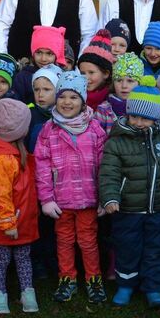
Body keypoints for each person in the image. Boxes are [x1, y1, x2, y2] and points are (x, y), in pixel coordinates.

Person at [99, 77, 160, 308]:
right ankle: (126, 286)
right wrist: (111, 198)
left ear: (155, 118)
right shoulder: (116, 142)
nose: (138, 122)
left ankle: (154, 288)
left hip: (158, 208)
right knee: (127, 248)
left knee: (156, 249)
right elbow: (109, 173)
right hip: (128, 208)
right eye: (134, 116)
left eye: (145, 118)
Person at [35, 69, 108, 305]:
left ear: (83, 100)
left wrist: (104, 198)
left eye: (74, 97)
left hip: (88, 199)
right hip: (61, 199)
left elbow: (104, 166)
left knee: (88, 240)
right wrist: (46, 199)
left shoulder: (95, 128)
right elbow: (42, 165)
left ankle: (93, 279)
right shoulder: (50, 129)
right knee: (64, 240)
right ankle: (67, 278)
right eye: (63, 96)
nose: (67, 102)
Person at [0, 99, 40, 315]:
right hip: (8, 222)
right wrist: (7, 222)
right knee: (2, 258)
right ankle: (0, 295)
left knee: (23, 257)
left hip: (20, 219)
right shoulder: (4, 158)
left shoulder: (13, 151)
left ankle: (27, 292)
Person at [10, 25, 66, 104]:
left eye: (49, 53)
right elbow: (15, 103)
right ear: (33, 53)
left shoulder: (63, 77)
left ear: (56, 55)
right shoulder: (23, 77)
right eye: (39, 52)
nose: (43, 59)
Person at [76, 30, 115, 112]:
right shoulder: (75, 94)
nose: (86, 78)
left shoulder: (112, 99)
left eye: (91, 72)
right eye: (82, 73)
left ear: (106, 73)